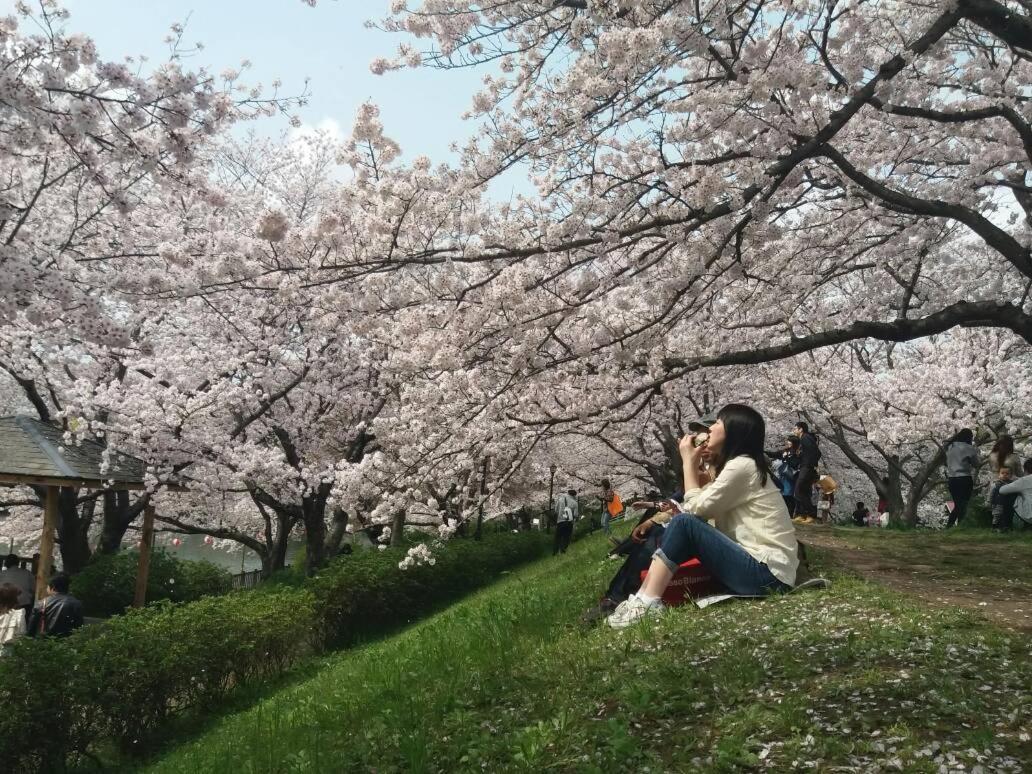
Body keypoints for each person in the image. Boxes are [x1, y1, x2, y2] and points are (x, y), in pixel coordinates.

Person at [608, 404, 798, 628]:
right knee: (681, 524)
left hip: (767, 575)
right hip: (764, 572)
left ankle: (647, 603)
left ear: (734, 432)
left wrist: (688, 462)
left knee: (684, 524)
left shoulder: (743, 465)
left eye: (717, 423)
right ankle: (642, 598)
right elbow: (693, 508)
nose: (710, 430)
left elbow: (695, 510)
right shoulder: (738, 467)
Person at [28, 573, 83, 638]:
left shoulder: (41, 603)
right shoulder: (76, 603)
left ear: (53, 587)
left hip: (45, 642)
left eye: (47, 586)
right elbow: (79, 627)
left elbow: (31, 629)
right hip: (66, 643)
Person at [945, 429, 979, 528]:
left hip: (952, 479)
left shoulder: (949, 447)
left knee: (958, 504)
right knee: (963, 504)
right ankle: (956, 526)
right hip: (964, 479)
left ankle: (952, 526)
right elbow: (976, 464)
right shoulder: (968, 448)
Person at [791, 421, 821, 522]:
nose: (794, 430)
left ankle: (810, 514)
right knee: (803, 491)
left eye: (795, 428)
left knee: (798, 490)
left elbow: (817, 453)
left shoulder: (806, 438)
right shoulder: (803, 439)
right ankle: (803, 514)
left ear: (801, 429)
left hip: (807, 467)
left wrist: (812, 464)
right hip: (805, 466)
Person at [1000, 459, 1032, 529]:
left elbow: (1002, 490)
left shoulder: (1024, 480)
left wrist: (1014, 481)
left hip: (1030, 516)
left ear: (1026, 470)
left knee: (1010, 494)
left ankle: (1006, 526)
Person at [988, 466, 1019, 532]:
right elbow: (991, 494)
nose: (1005, 475)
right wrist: (989, 503)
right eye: (1002, 473)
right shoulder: (996, 484)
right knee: (997, 515)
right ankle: (994, 527)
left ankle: (1007, 527)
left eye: (1007, 473)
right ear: (999, 474)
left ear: (1010, 475)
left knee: (1008, 515)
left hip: (1008, 504)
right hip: (998, 503)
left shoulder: (1012, 484)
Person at [0, 583, 26, 655]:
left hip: (8, 653)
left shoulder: (18, 614)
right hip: (8, 654)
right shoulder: (18, 614)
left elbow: (20, 636)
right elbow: (21, 635)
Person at [553, 488, 579, 555]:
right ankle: (562, 550)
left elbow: (556, 510)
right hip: (569, 522)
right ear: (574, 495)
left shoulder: (560, 499)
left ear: (568, 493)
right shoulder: (575, 503)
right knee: (566, 537)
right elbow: (576, 515)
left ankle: (555, 552)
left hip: (560, 521)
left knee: (558, 537)